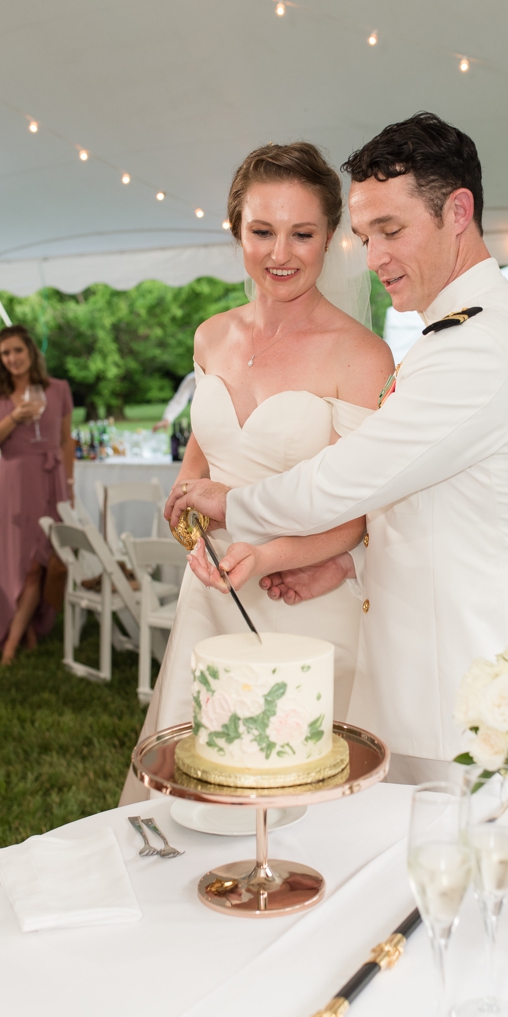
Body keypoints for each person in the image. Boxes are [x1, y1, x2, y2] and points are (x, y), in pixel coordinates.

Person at [168, 112, 508, 763]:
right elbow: (420, 500)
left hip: (466, 682)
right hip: (426, 668)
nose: (375, 257)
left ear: (457, 211)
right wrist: (342, 558)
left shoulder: (479, 346)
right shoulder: (453, 333)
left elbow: (347, 478)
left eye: (391, 230)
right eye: (365, 235)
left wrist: (228, 505)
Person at [120, 141, 393, 805]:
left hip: (305, 598)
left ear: (331, 235)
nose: (281, 254)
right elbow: (199, 464)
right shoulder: (211, 336)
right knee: (199, 783)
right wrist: (185, 517)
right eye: (261, 231)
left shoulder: (361, 355)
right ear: (236, 228)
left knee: (301, 791)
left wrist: (269, 555)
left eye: (302, 234)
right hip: (210, 593)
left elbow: (357, 513)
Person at [0, 325, 73, 665]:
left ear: (30, 352)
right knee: (15, 565)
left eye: (17, 350)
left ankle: (13, 640)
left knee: (37, 563)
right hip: (14, 487)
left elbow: (64, 441)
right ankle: (19, 630)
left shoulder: (58, 389)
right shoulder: (1, 396)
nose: (12, 358)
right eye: (5, 353)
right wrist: (14, 417)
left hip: (51, 481)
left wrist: (68, 486)